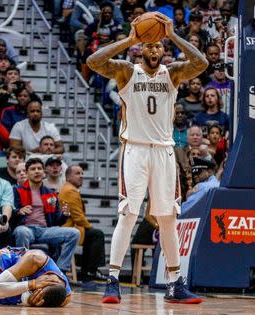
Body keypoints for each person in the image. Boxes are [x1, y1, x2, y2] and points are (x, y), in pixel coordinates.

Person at [87, 12, 207, 304]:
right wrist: (129, 39)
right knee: (128, 215)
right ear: (141, 49)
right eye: (148, 46)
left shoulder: (173, 72)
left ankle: (175, 284)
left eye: (158, 46)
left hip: (164, 151)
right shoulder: (127, 71)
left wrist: (173, 34)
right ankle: (113, 281)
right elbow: (93, 62)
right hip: (136, 150)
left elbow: (202, 63)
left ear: (163, 49)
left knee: (167, 219)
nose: (153, 51)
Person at [12, 158, 80, 273]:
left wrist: (64, 215)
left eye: (39, 168)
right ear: (27, 173)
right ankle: (22, 269)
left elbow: (57, 222)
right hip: (26, 228)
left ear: (44, 172)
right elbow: (10, 212)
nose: (37, 171)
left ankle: (59, 270)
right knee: (21, 231)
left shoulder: (51, 193)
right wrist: (19, 211)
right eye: (33, 169)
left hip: (45, 230)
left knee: (74, 233)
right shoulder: (16, 190)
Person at [59, 165, 106, 281]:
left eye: (82, 173)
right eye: (77, 173)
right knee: (96, 234)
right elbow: (78, 217)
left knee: (92, 234)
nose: (81, 176)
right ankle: (90, 271)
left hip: (69, 226)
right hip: (68, 227)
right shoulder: (70, 191)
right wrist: (90, 226)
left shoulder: (68, 188)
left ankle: (88, 270)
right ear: (68, 177)